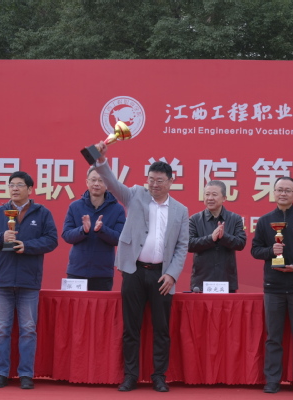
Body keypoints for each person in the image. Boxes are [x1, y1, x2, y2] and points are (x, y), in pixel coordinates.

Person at [94, 142, 189, 393]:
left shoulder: (180, 210)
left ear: (170, 182)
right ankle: (130, 376)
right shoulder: (135, 194)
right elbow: (111, 183)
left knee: (161, 330)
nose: (154, 184)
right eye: (151, 179)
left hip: (162, 276)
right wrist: (101, 161)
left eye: (160, 181)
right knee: (131, 328)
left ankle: (159, 376)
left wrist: (172, 275)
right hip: (134, 271)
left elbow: (182, 246)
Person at [0, 171, 58, 390]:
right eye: (11, 184)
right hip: (2, 281)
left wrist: (28, 246)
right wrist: (1, 237)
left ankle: (25, 374)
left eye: (20, 185)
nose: (14, 188)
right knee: (2, 329)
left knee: (28, 329)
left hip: (28, 281)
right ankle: (1, 373)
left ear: (30, 189)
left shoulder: (42, 213)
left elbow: (52, 240)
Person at [251, 177, 293, 396]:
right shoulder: (265, 221)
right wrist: (271, 251)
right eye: (279, 190)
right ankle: (272, 380)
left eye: (288, 190)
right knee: (273, 337)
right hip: (273, 287)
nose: (283, 193)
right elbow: (255, 250)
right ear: (274, 192)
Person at [62, 166, 126, 291]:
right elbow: (67, 235)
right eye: (93, 180)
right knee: (74, 304)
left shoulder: (117, 209)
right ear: (87, 182)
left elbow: (120, 238)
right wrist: (83, 230)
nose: (96, 184)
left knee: (100, 304)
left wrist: (102, 230)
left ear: (108, 184)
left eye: (101, 180)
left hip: (102, 274)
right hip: (77, 271)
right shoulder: (75, 206)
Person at [188, 180, 246, 292]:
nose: (210, 198)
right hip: (201, 281)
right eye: (207, 194)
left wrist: (224, 236)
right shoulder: (194, 219)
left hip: (226, 280)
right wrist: (211, 238)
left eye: (214, 194)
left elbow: (241, 243)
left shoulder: (235, 219)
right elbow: (189, 244)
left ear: (224, 198)